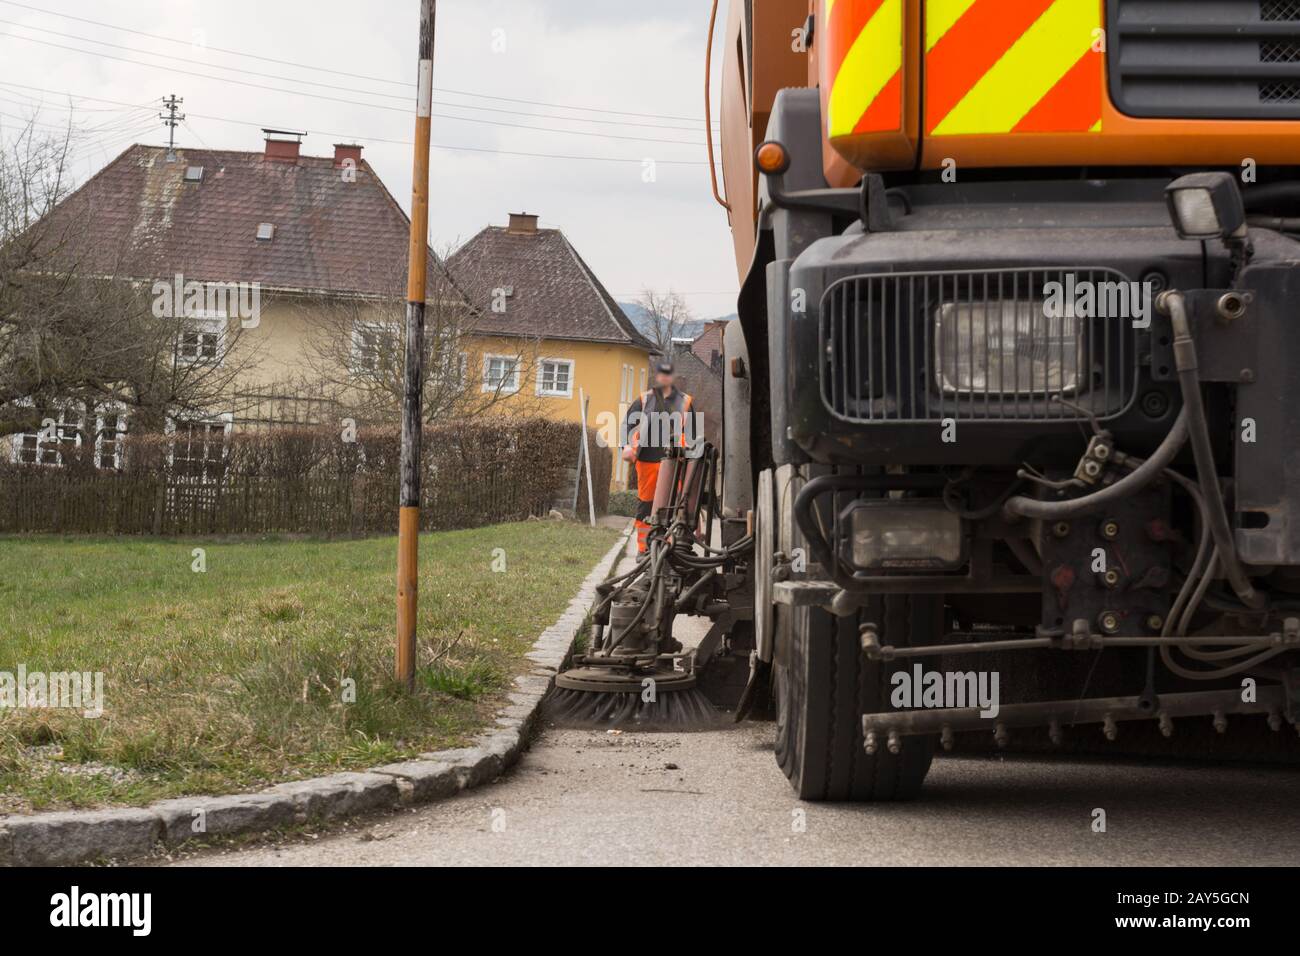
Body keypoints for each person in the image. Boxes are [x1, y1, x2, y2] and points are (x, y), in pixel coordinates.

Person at [623, 361, 695, 553]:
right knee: (646, 505)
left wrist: (691, 452)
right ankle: (643, 548)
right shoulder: (644, 400)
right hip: (648, 460)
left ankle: (673, 546)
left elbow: (693, 434)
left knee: (676, 505)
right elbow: (627, 427)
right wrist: (627, 447)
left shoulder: (685, 402)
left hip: (677, 462)